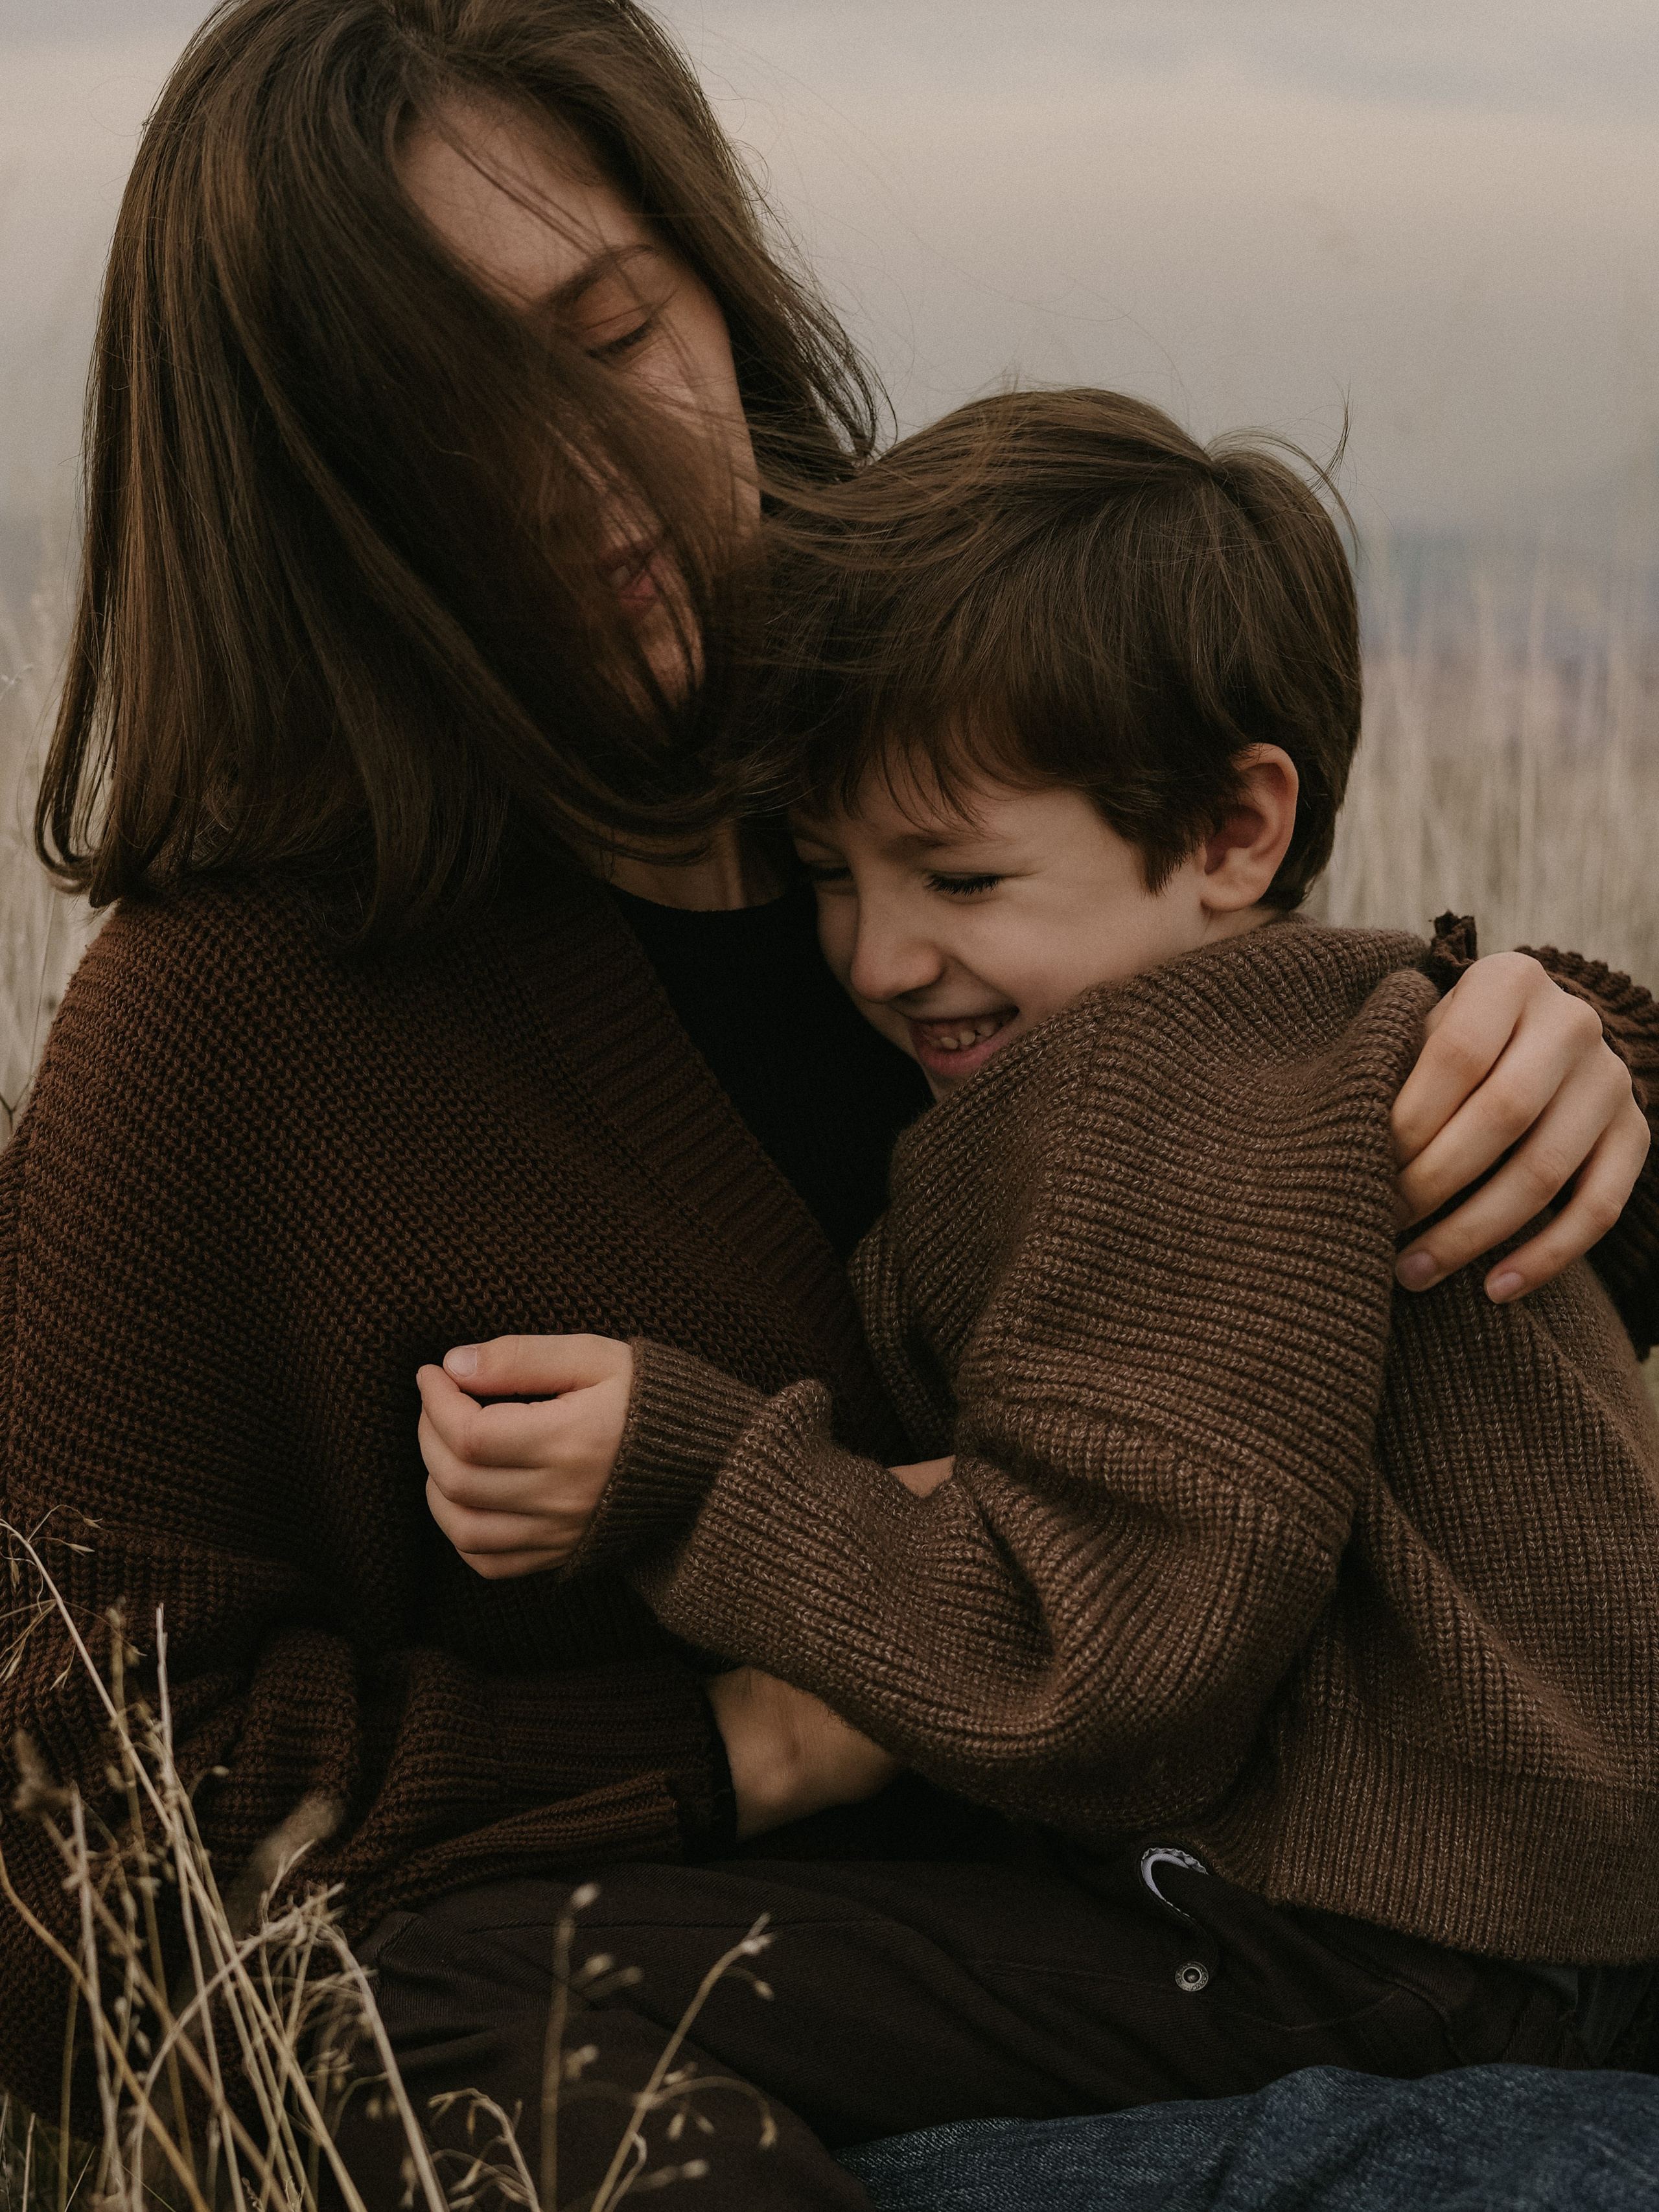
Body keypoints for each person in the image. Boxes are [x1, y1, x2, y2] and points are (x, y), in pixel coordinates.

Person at [0, 3, 1653, 2206]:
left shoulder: (916, 707)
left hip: (1322, 1953)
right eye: (448, 427)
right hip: (814, 2083)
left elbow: (1282, 1042)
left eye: (617, 332)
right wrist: (737, 1740)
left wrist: (1584, 1056)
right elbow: (69, 1845)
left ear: (718, 280)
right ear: (293, 494)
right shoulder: (234, 1021)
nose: (585, 487)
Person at [417, 387, 1659, 2163]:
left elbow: (1096, 1678)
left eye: (964, 876)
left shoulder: (1170, 1099)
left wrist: (685, 1472)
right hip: (1499, 1926)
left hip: (1355, 1948)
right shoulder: (1323, 1028)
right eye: (832, 875)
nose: (880, 955)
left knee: (499, 1988)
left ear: (1235, 829)